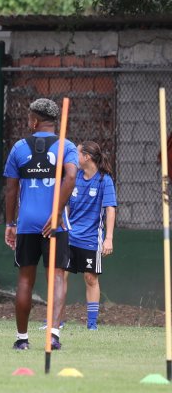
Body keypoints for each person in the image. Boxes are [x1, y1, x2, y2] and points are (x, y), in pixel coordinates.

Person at [3, 97, 78, 351]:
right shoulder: (66, 146)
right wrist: (57, 212)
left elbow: (11, 190)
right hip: (55, 223)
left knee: (25, 279)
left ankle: (22, 339)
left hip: (26, 222)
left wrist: (10, 223)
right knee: (56, 277)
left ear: (34, 121)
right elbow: (71, 177)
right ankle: (53, 335)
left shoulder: (18, 148)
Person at [66, 140, 117, 330]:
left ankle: (92, 324)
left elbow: (110, 210)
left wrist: (108, 238)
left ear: (86, 157)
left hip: (90, 239)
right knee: (60, 276)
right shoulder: (74, 176)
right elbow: (67, 205)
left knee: (90, 278)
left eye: (77, 153)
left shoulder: (105, 180)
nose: (75, 157)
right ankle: (57, 321)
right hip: (69, 236)